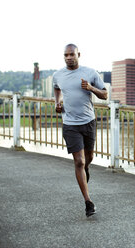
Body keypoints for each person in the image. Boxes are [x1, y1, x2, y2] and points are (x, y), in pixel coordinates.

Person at [53, 44, 107, 217]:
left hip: (88, 122)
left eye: (72, 54)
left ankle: (85, 170)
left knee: (88, 158)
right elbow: (56, 88)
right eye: (66, 55)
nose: (69, 57)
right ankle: (88, 202)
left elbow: (105, 95)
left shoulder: (90, 73)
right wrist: (57, 102)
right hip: (70, 124)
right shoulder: (58, 75)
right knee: (79, 162)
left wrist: (91, 88)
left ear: (78, 55)